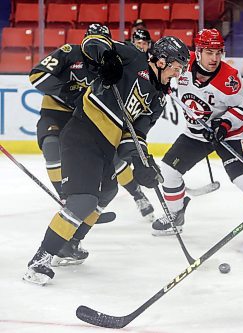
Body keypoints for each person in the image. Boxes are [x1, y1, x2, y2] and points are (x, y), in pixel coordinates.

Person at [23, 33, 190, 286]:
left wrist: (143, 162)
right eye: (176, 68)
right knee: (83, 200)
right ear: (161, 61)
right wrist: (108, 58)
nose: (177, 74)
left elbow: (135, 135)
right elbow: (93, 41)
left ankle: (70, 244)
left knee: (107, 191)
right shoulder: (134, 57)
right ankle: (40, 259)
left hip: (107, 147)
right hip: (83, 132)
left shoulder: (158, 100)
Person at [151, 28, 243, 245]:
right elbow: (159, 71)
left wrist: (223, 125)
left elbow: (241, 108)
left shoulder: (229, 78)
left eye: (219, 52)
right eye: (209, 52)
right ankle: (175, 215)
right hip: (196, 134)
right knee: (169, 171)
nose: (215, 58)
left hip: (229, 135)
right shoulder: (181, 64)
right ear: (198, 52)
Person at [29, 24, 156, 224]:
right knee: (51, 147)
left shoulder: (114, 64)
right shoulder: (69, 52)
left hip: (84, 117)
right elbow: (37, 76)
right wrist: (68, 90)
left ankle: (138, 195)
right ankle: (67, 200)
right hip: (56, 112)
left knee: (111, 158)